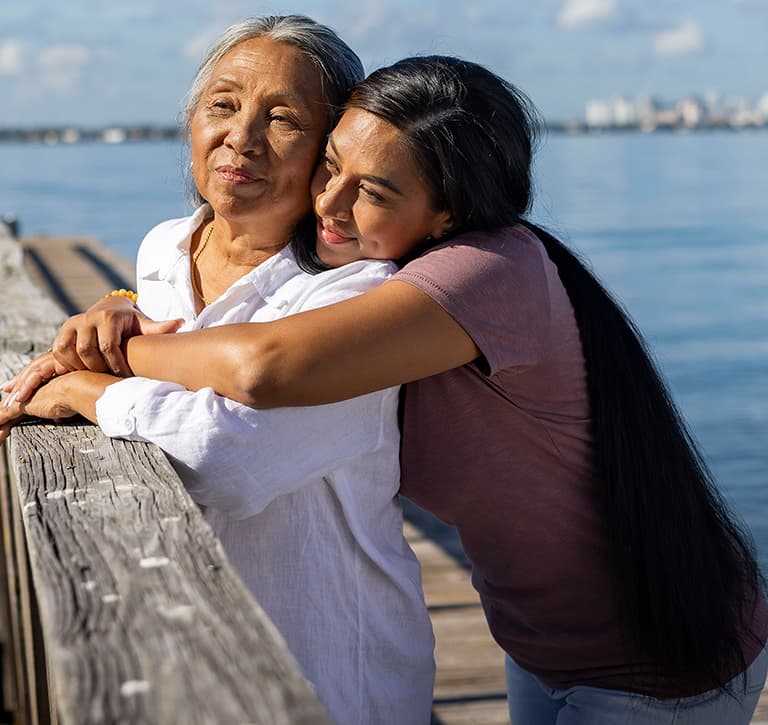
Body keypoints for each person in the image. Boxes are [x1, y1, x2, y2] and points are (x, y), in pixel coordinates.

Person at [5, 55, 768, 724]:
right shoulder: (391, 270)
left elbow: (263, 367)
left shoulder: (484, 271)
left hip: (660, 657)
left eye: (372, 190)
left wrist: (101, 374)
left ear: (448, 212)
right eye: (330, 166)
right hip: (541, 643)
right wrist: (122, 304)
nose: (330, 203)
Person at [1, 18, 439, 725]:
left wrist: (88, 390)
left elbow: (226, 461)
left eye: (283, 118)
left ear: (330, 151)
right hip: (185, 644)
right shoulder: (165, 247)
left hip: (331, 677)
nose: (242, 137)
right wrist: (119, 309)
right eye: (223, 104)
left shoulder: (355, 293)